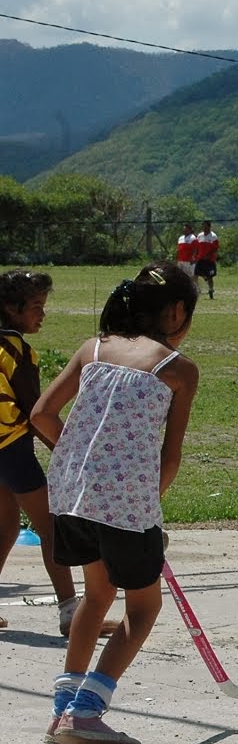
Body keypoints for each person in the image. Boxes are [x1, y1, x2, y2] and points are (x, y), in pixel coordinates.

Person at [33, 263, 200, 744]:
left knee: (97, 595)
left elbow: (42, 413)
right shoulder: (177, 369)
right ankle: (86, 713)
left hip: (70, 495)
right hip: (127, 504)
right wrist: (149, 508)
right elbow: (170, 457)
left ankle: (62, 709)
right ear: (175, 312)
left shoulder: (94, 348)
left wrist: (82, 462)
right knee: (145, 608)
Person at [0, 270, 80, 634]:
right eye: (36, 307)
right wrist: (70, 455)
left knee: (5, 527)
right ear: (10, 309)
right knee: (50, 529)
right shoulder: (18, 351)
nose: (42, 314)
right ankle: (70, 613)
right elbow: (37, 414)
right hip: (11, 452)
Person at [193, 221, 219, 299]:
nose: (204, 228)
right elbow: (197, 247)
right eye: (203, 226)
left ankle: (211, 289)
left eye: (205, 226)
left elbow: (215, 248)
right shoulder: (200, 236)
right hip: (200, 259)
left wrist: (208, 256)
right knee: (196, 274)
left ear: (209, 227)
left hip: (209, 260)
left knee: (210, 276)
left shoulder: (213, 236)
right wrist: (195, 256)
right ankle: (197, 289)